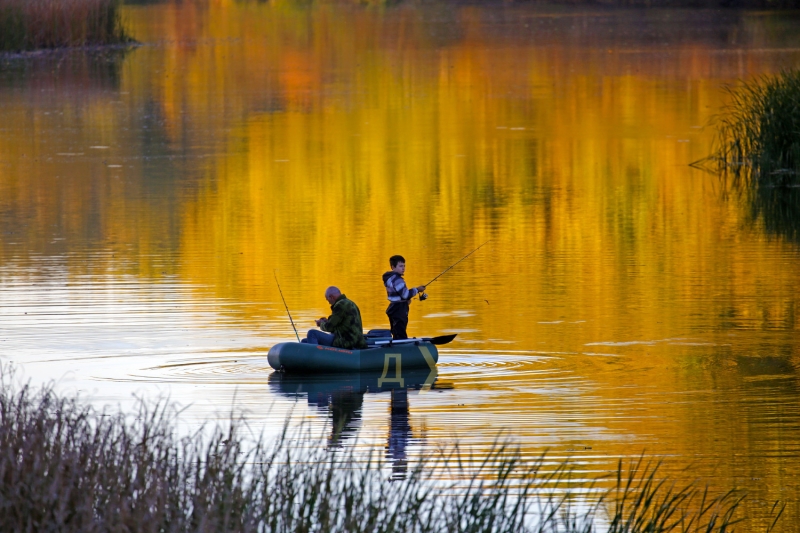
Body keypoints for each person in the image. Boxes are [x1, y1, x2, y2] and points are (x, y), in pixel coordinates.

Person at [301, 286, 367, 350]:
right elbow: (340, 324)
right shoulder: (350, 303)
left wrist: (320, 323)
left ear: (331, 297)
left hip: (346, 341)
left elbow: (329, 327)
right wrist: (326, 321)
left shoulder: (340, 305)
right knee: (304, 341)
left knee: (312, 333)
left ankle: (315, 358)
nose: (329, 303)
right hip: (354, 339)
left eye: (328, 300)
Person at [382, 255, 425, 340]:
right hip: (399, 309)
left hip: (393, 307)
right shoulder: (398, 280)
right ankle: (401, 347)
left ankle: (396, 344)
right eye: (400, 266)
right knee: (400, 330)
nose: (403, 268)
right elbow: (405, 295)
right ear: (393, 267)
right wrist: (417, 289)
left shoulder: (390, 278)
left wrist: (406, 300)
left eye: (404, 266)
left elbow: (399, 294)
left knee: (396, 331)